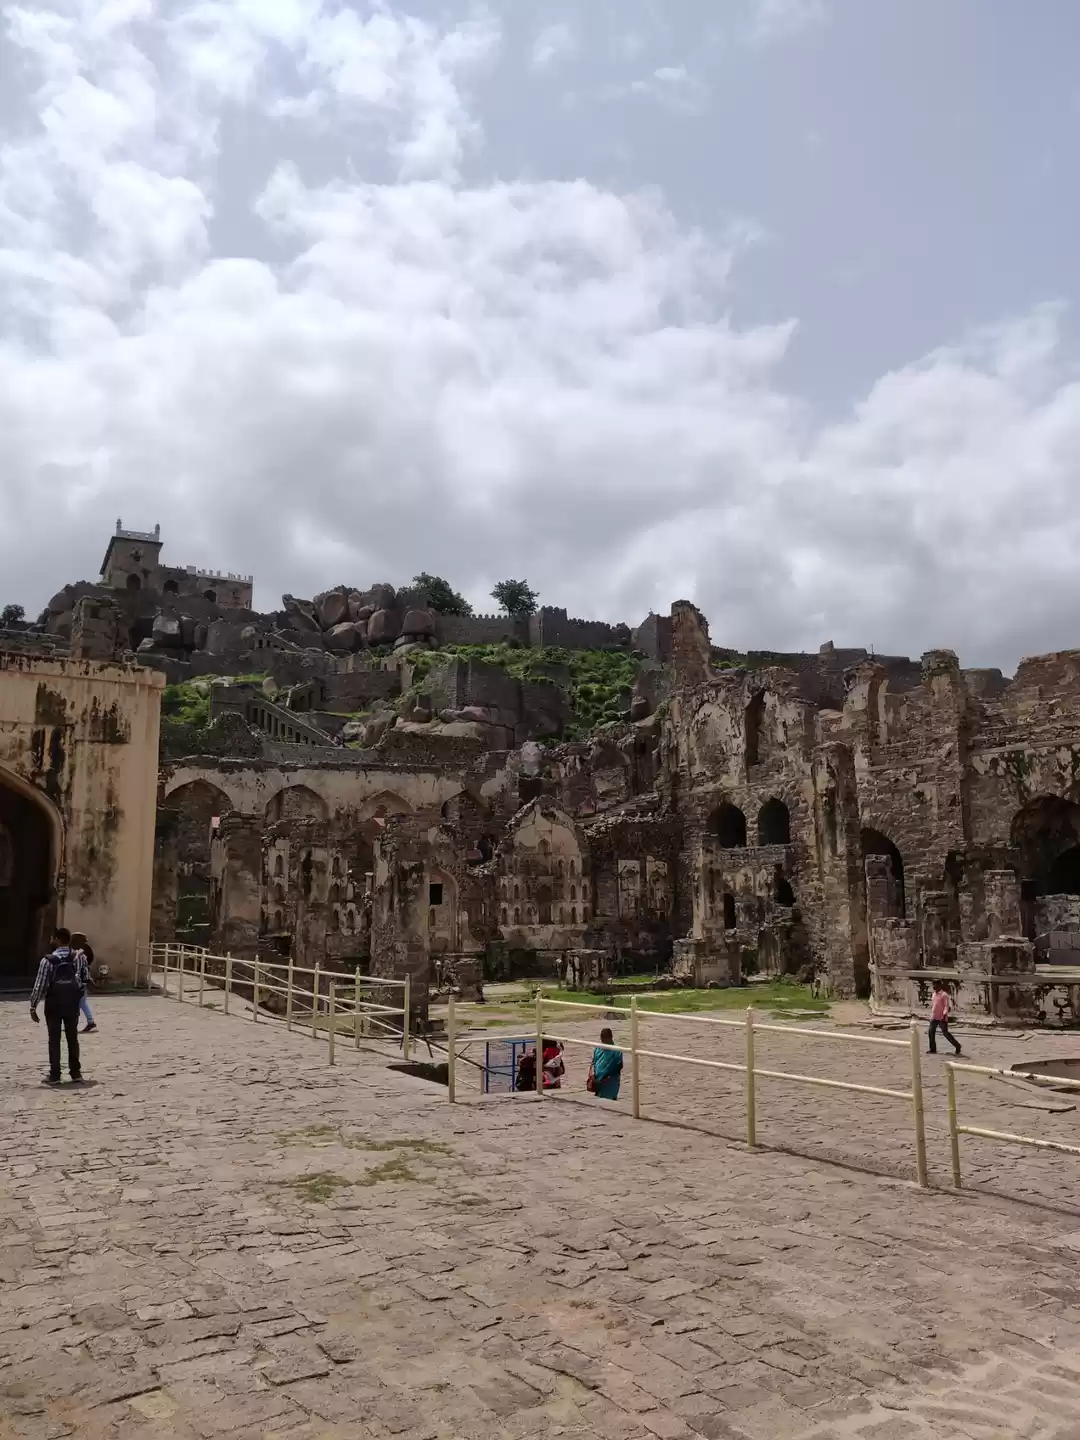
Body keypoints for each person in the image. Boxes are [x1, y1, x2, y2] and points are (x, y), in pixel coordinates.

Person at [30, 928, 89, 1085]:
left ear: (57, 939)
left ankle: (55, 1075)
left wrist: (33, 1006)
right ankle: (75, 1073)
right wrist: (76, 993)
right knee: (72, 1038)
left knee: (54, 1039)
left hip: (54, 1004)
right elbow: (85, 979)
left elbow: (40, 986)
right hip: (71, 1004)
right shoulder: (79, 958)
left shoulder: (47, 960)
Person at [71, 932, 97, 1033]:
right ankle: (90, 1022)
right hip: (81, 983)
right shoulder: (82, 956)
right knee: (82, 1003)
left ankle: (88, 1023)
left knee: (76, 1004)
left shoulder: (74, 955)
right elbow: (86, 969)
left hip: (76, 984)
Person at [588, 1027, 624, 1100]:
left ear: (611, 1038)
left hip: (610, 1083)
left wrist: (604, 1080)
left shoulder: (617, 1051)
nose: (603, 1041)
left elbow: (617, 1067)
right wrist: (592, 1077)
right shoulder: (598, 1049)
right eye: (602, 1038)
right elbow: (593, 1063)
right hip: (597, 1082)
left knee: (609, 1101)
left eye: (606, 1038)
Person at [928, 979, 961, 1056]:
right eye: (933, 985)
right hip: (934, 1016)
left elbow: (946, 1006)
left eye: (935, 985)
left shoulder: (944, 995)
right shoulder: (933, 994)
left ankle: (957, 1045)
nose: (934, 986)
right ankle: (932, 1049)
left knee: (945, 1033)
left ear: (939, 985)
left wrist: (944, 1015)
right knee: (931, 1032)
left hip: (942, 1017)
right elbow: (934, 1005)